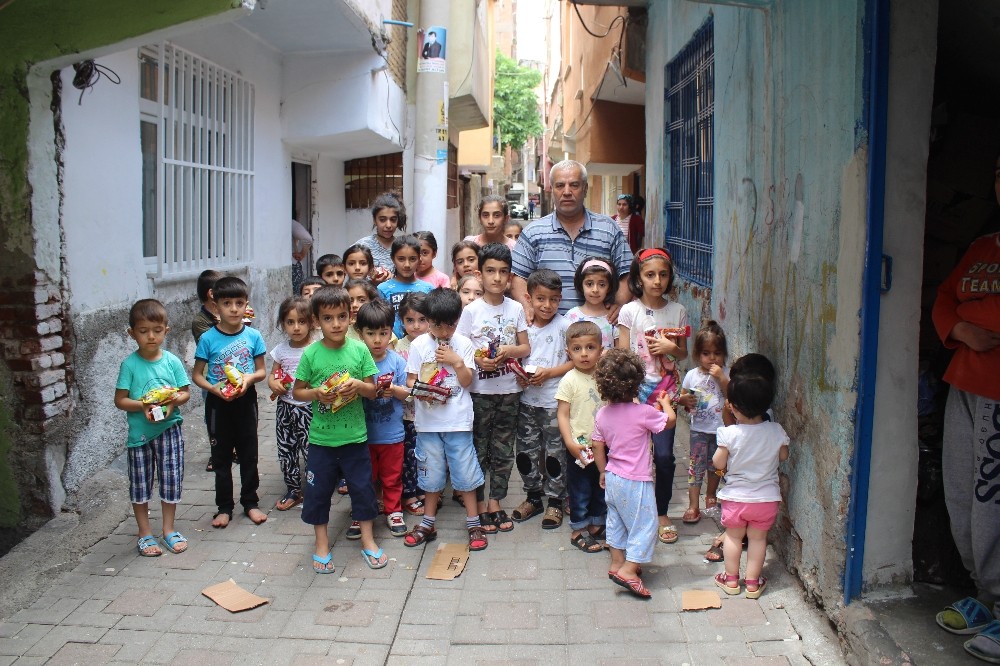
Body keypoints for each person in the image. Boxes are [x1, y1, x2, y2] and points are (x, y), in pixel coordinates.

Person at [931, 156, 1000, 661]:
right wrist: (959, 328)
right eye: (997, 173)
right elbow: (944, 298)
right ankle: (985, 594)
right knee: (962, 490)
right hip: (965, 382)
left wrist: (970, 316)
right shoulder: (983, 247)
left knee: (991, 497)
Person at [292, 286, 386, 573]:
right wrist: (317, 393)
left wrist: (357, 385)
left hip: (355, 438)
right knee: (318, 492)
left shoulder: (359, 350)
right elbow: (297, 392)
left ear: (350, 317)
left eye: (342, 316)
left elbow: (373, 391)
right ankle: (321, 544)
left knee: (362, 489)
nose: (336, 324)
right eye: (328, 318)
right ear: (316, 321)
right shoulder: (311, 354)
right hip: (321, 440)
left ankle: (367, 540)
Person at [403, 288, 489, 552]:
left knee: (465, 472)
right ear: (428, 320)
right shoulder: (419, 345)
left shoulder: (463, 344)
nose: (443, 331)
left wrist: (456, 362)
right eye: (437, 325)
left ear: (458, 319)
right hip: (428, 424)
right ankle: (428, 523)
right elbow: (410, 381)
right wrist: (426, 391)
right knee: (431, 473)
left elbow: (467, 381)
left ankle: (474, 522)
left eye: (450, 325)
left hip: (458, 422)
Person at [617, 248, 689, 545]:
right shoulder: (629, 311)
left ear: (670, 278)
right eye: (650, 275)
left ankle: (661, 512)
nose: (657, 281)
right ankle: (631, 510)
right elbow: (622, 355)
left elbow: (683, 353)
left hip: (665, 395)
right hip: (635, 393)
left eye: (663, 275)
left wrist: (671, 349)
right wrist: (627, 395)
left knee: (663, 456)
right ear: (639, 278)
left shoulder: (678, 311)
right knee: (633, 456)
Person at [457, 243, 531, 533]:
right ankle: (476, 504)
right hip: (478, 393)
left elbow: (525, 348)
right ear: (480, 274)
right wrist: (478, 359)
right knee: (477, 449)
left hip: (509, 392)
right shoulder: (471, 311)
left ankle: (495, 502)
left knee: (503, 450)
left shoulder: (516, 308)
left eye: (503, 272)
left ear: (510, 277)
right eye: (490, 271)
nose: (497, 278)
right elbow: (461, 348)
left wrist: (509, 350)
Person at [592, 348, 676, 599]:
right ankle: (629, 570)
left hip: (613, 476)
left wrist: (602, 471)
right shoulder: (643, 413)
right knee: (646, 524)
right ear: (637, 384)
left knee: (616, 521)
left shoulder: (602, 414)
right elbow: (669, 422)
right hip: (636, 481)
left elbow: (597, 445)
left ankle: (617, 563)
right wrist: (666, 404)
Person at [114, 299, 192, 556]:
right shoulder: (129, 365)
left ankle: (168, 529)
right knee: (140, 484)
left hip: (169, 430)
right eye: (143, 331)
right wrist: (144, 405)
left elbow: (185, 393)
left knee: (171, 479)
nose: (151, 336)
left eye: (157, 330)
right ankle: (144, 532)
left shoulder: (172, 362)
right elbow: (120, 400)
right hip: (140, 436)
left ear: (166, 330)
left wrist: (171, 403)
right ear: (131, 333)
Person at [511, 159, 634, 319]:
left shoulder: (608, 229)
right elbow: (518, 277)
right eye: (560, 185)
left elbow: (627, 273)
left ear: (585, 189)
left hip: (598, 329)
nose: (567, 191)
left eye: (574, 185)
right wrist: (528, 308)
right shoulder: (533, 232)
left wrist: (618, 305)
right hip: (548, 328)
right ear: (552, 190)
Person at [192, 276, 268, 528]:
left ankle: (251, 502)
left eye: (239, 303)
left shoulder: (254, 336)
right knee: (221, 457)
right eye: (227, 303)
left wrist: (248, 379)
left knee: (249, 454)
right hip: (218, 405)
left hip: (246, 402)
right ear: (216, 306)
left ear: (246, 304)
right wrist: (213, 388)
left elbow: (261, 371)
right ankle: (224, 507)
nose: (234, 309)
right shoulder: (208, 338)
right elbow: (197, 375)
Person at [712, 367, 789, 600]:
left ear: (733, 407)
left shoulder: (730, 434)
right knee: (758, 539)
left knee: (733, 537)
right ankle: (753, 583)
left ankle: (731, 580)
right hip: (766, 499)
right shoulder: (776, 430)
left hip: (735, 499)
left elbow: (718, 462)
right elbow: (783, 456)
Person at [512, 269, 572, 526]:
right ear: (529, 298)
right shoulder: (522, 326)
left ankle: (555, 501)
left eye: (554, 299)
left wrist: (549, 373)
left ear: (560, 299)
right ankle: (533, 497)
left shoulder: (565, 326)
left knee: (555, 454)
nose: (547, 305)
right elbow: (514, 358)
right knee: (525, 453)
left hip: (554, 403)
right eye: (541, 299)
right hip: (526, 402)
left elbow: (574, 362)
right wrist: (518, 375)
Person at [355, 300, 411, 537]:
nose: (377, 340)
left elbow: (407, 392)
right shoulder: (356, 360)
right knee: (363, 478)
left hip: (392, 434)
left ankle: (393, 510)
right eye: (371, 333)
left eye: (383, 333)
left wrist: (394, 390)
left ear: (391, 333)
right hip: (361, 434)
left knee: (392, 476)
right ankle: (362, 513)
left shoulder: (396, 361)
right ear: (360, 333)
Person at [556, 321, 607, 552]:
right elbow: (563, 414)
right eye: (577, 349)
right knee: (579, 489)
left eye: (590, 347)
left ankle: (596, 524)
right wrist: (569, 442)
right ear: (568, 352)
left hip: (603, 445)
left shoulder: (605, 377)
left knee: (601, 484)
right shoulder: (569, 379)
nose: (584, 354)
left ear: (601, 349)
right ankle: (578, 530)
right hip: (580, 446)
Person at [677, 321, 730, 523]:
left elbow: (732, 395)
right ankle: (693, 505)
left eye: (717, 353)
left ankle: (711, 497)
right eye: (706, 353)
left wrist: (722, 378)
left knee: (716, 466)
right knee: (695, 467)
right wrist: (685, 401)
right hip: (698, 430)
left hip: (721, 431)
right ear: (698, 354)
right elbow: (683, 397)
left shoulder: (727, 373)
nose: (712, 358)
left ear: (724, 354)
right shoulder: (692, 375)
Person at [268, 296, 314, 512]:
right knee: (286, 449)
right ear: (282, 324)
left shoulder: (315, 349)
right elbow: (273, 375)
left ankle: (315, 489)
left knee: (311, 450)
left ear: (311, 322)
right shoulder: (280, 350)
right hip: (285, 407)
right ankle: (293, 489)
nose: (296, 327)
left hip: (309, 408)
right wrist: (273, 383)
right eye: (290, 322)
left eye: (302, 322)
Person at [395, 292, 429, 516]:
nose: (416, 326)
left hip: (430, 413)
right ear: (402, 321)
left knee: (428, 454)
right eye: (410, 320)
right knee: (409, 455)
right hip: (407, 413)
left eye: (422, 319)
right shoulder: (398, 347)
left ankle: (425, 489)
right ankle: (409, 494)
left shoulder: (434, 344)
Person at [191, 269, 222, 472]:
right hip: (211, 378)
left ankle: (233, 449)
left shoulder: (230, 314)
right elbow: (211, 344)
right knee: (213, 417)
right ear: (212, 294)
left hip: (235, 373)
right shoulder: (200, 321)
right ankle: (216, 453)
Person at [378, 235, 434, 338]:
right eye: (401, 259)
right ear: (393, 259)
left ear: (419, 259)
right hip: (393, 343)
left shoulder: (428, 288)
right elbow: (381, 322)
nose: (407, 265)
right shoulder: (383, 289)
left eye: (412, 259)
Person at [565, 257, 619, 349]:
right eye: (589, 284)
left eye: (602, 285)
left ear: (609, 287)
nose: (595, 290)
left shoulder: (613, 318)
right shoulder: (571, 316)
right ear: (581, 285)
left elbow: (620, 351)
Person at [355, 192, 405, 280]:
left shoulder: (403, 246)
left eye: (393, 220)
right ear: (374, 220)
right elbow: (353, 279)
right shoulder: (362, 246)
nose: (388, 225)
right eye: (382, 220)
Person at [292, 219, 313, 296]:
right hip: (293, 267)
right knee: (297, 298)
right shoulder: (288, 222)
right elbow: (308, 239)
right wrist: (302, 254)